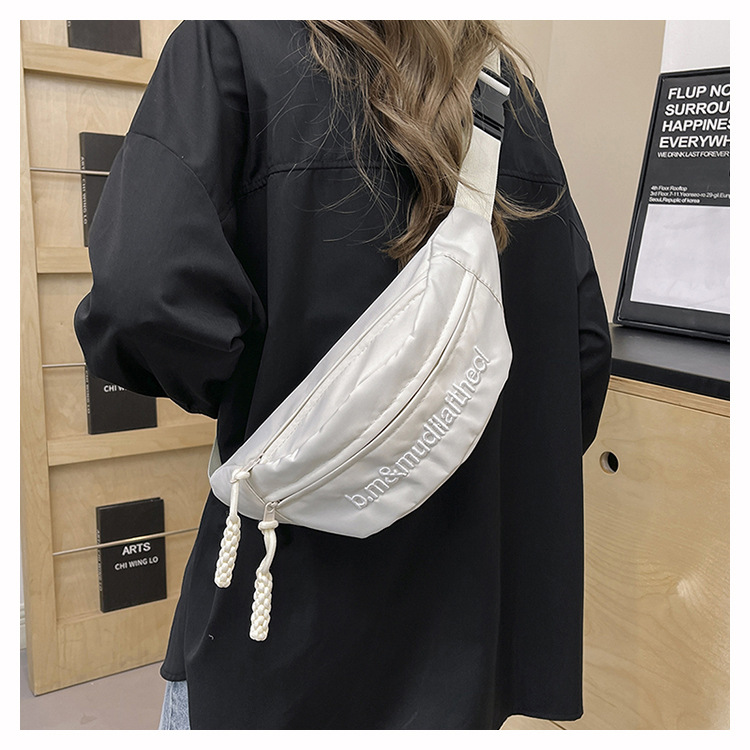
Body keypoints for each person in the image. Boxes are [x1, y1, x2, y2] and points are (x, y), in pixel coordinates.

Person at [74, 20, 611, 730]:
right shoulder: (512, 99)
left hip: (281, 615)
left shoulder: (229, 43)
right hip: (463, 638)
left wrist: (261, 407)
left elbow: (141, 298)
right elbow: (582, 352)